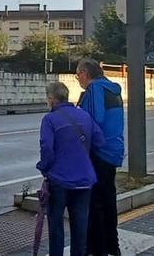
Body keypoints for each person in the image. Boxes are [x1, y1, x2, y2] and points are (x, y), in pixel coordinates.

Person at [39, 81, 104, 256]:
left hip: (59, 180)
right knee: (80, 224)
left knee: (56, 224)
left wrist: (44, 168)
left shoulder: (50, 119)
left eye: (47, 98)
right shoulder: (84, 116)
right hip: (84, 179)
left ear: (52, 99)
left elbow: (46, 149)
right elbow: (99, 142)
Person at [76, 58, 124, 256]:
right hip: (113, 151)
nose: (78, 78)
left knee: (94, 203)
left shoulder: (95, 89)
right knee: (108, 200)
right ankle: (112, 245)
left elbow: (94, 120)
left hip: (98, 152)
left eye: (77, 74)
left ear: (85, 74)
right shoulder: (111, 89)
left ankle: (96, 248)